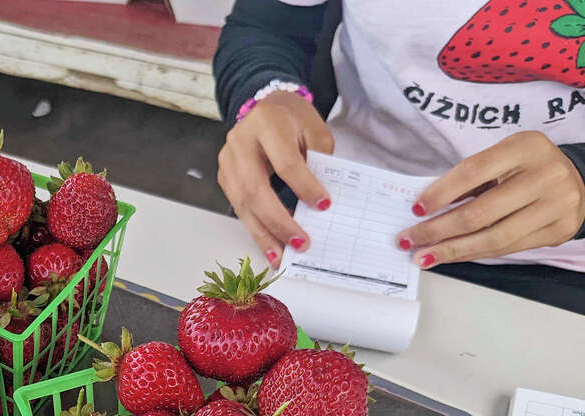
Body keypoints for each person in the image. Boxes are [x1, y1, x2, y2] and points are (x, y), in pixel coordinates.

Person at [213, 0, 585, 311]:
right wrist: (266, 94)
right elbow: (267, 23)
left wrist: (580, 177)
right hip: (345, 211)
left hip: (554, 259)